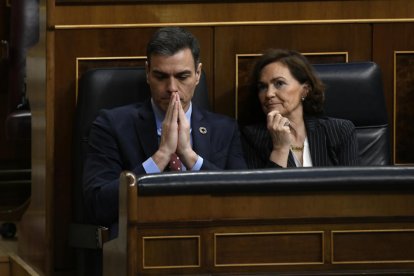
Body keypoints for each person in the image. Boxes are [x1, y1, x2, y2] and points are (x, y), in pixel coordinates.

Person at [83, 27, 247, 229]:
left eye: (182, 76)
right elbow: (97, 205)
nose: (171, 88)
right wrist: (161, 156)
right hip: (142, 243)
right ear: (147, 73)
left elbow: (242, 203)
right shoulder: (112, 125)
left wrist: (189, 156)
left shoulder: (225, 129)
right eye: (161, 77)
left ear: (197, 74)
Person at [241, 49, 359, 168]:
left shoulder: (339, 131)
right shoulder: (252, 137)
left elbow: (353, 184)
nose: (269, 94)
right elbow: (264, 186)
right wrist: (279, 149)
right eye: (262, 87)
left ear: (305, 90)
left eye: (279, 83)